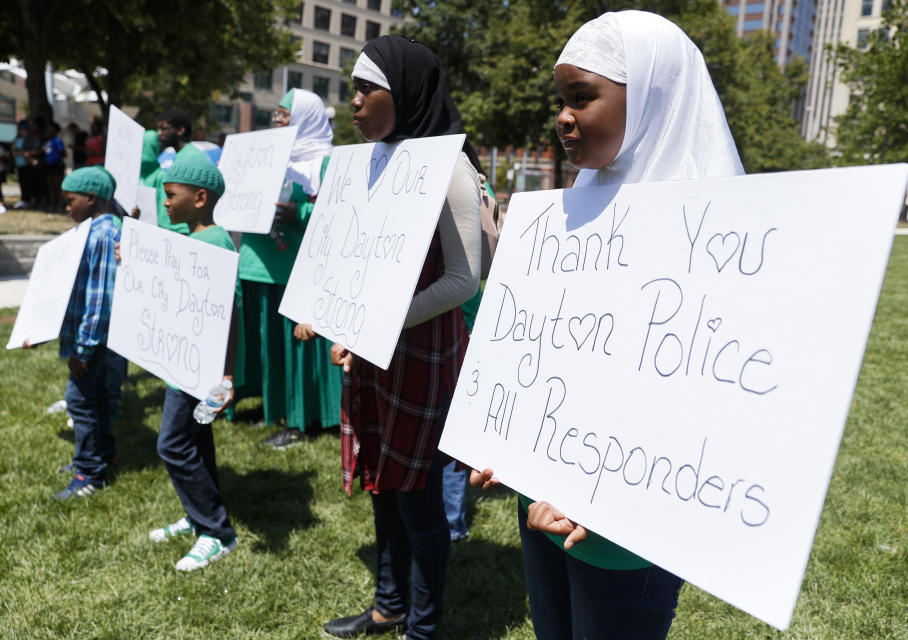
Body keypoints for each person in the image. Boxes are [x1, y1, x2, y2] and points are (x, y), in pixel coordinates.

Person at [470, 11, 744, 639]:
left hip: (625, 531)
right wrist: (502, 437)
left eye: (582, 98)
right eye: (560, 100)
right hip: (540, 501)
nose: (563, 116)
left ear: (650, 98)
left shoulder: (719, 235)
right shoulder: (566, 217)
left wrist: (604, 493)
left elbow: (704, 405)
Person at [319, 36, 483, 640]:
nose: (354, 103)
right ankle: (390, 606)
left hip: (420, 354)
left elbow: (464, 279)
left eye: (367, 89)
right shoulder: (372, 161)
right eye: (352, 90)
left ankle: (425, 626)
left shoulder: (450, 166)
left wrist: (377, 322)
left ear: (406, 92)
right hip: (375, 351)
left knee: (416, 499)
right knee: (382, 486)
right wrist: (341, 319)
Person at [137, 153, 240, 571]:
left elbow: (230, 313)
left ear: (199, 198)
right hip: (183, 361)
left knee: (173, 444)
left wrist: (227, 375)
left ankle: (216, 532)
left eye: (170, 195)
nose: (164, 202)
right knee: (196, 441)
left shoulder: (214, 244)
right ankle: (197, 512)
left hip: (200, 371)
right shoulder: (196, 240)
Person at [233, 88, 341, 449]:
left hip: (295, 270)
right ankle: (270, 405)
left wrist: (300, 213)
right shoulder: (265, 155)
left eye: (284, 114)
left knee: (295, 348)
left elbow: (337, 216)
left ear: (306, 118)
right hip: (256, 263)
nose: (277, 121)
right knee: (265, 343)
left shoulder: (324, 162)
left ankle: (300, 419)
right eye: (276, 114)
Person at [37, 167, 123, 499]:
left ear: (90, 198)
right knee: (98, 398)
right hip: (96, 339)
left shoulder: (102, 234)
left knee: (79, 401)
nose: (66, 207)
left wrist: (83, 349)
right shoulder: (96, 229)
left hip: (94, 340)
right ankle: (103, 455)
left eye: (70, 200)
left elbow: (101, 299)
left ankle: (89, 473)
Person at [140, 109, 205, 234]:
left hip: (184, 231)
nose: (159, 134)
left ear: (180, 130)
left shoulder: (192, 157)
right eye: (158, 129)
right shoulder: (180, 155)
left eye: (164, 129)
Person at [44, 122, 66, 212]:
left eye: (50, 129)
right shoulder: (47, 141)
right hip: (49, 166)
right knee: (51, 187)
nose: (48, 131)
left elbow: (63, 153)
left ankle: (60, 205)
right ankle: (52, 205)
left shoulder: (57, 141)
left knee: (58, 186)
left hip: (57, 165)